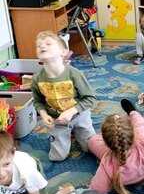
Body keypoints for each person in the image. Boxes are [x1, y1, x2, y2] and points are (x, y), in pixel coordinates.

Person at [31, 31, 96, 161]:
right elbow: (37, 101)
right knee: (58, 157)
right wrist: (44, 115)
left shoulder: (74, 74)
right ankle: (68, 135)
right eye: (39, 45)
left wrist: (71, 111)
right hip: (57, 120)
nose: (42, 46)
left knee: (91, 148)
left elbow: (90, 99)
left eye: (48, 44)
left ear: (63, 51)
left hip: (79, 115)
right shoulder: (36, 78)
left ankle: (76, 133)